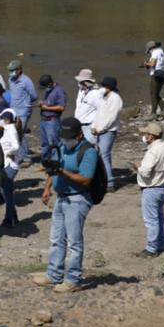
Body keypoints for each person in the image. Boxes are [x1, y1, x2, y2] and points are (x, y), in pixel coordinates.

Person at [33, 117, 98, 292]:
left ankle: (73, 280)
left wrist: (63, 172)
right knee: (56, 239)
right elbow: (53, 168)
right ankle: (53, 275)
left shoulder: (88, 151)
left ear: (79, 134)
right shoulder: (62, 147)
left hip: (77, 200)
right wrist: (47, 188)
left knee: (74, 242)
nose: (66, 140)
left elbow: (85, 179)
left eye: (69, 137)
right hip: (61, 198)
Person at [131, 122, 164, 257]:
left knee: (151, 219)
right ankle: (160, 244)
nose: (144, 136)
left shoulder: (153, 151)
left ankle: (151, 248)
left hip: (151, 188)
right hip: (162, 187)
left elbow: (145, 172)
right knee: (160, 217)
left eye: (146, 134)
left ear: (151, 136)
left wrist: (137, 166)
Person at [90, 76, 122, 192]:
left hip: (108, 131)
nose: (102, 87)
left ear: (109, 87)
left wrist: (100, 129)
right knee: (100, 155)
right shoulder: (105, 97)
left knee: (104, 155)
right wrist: (94, 126)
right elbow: (99, 113)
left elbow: (111, 118)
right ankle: (102, 180)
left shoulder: (115, 99)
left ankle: (110, 183)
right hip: (100, 130)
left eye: (104, 85)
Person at [0, 108, 25, 228]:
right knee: (5, 191)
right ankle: (13, 217)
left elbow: (16, 146)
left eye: (2, 118)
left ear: (6, 119)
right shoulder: (8, 129)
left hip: (9, 165)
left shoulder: (11, 130)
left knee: (6, 192)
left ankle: (9, 220)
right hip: (7, 164)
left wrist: (9, 152)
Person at [38, 74, 67, 156]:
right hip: (44, 120)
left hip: (52, 121)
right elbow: (48, 102)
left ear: (50, 84)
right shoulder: (48, 90)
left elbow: (61, 107)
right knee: (44, 143)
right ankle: (46, 161)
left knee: (54, 143)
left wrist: (46, 108)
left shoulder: (59, 91)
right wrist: (42, 103)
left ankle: (56, 162)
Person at [7, 59, 37, 131]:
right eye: (10, 70)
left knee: (20, 134)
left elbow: (34, 96)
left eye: (12, 70)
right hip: (12, 111)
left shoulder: (26, 81)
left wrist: (25, 102)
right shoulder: (10, 80)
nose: (10, 72)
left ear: (19, 70)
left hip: (23, 113)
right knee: (13, 134)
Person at [142, 40, 164, 120]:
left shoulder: (155, 52)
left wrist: (146, 64)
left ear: (151, 48)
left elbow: (152, 64)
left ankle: (153, 113)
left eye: (149, 50)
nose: (149, 52)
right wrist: (148, 64)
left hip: (156, 75)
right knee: (156, 94)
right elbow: (160, 63)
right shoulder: (163, 52)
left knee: (153, 94)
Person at [73, 69, 100, 143]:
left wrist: (94, 126)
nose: (78, 83)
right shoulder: (81, 91)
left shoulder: (96, 93)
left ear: (85, 82)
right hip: (79, 125)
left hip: (89, 126)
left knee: (90, 148)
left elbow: (101, 111)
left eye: (80, 81)